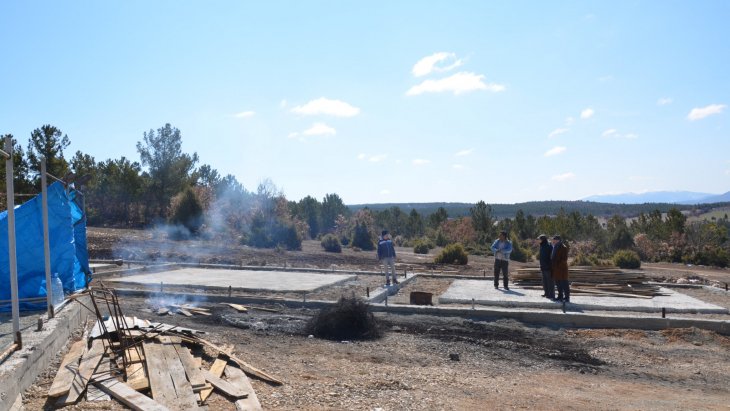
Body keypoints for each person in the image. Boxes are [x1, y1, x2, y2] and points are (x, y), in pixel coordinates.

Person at [551, 235, 570, 302]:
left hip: (562, 270)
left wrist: (558, 265)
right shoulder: (555, 246)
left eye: (554, 240)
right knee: (558, 284)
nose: (553, 241)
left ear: (557, 240)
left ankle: (567, 297)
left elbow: (564, 259)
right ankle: (560, 296)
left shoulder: (563, 247)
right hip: (556, 269)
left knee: (564, 284)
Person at [538, 234, 554, 299]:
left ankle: (551, 295)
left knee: (550, 281)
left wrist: (549, 265)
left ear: (543, 239)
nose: (539, 240)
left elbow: (551, 256)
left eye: (540, 239)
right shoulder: (542, 245)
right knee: (544, 281)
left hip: (548, 267)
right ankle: (546, 293)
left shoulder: (549, 245)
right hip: (543, 266)